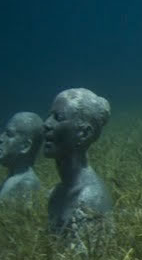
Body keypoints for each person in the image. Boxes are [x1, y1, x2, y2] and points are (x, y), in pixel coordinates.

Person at [43, 88, 114, 244]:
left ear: (84, 133)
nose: (46, 124)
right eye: (49, 116)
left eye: (58, 117)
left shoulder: (89, 199)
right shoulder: (57, 192)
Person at [0, 111, 44, 207]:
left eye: (9, 134)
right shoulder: (13, 179)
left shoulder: (26, 185)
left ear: (25, 146)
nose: (0, 138)